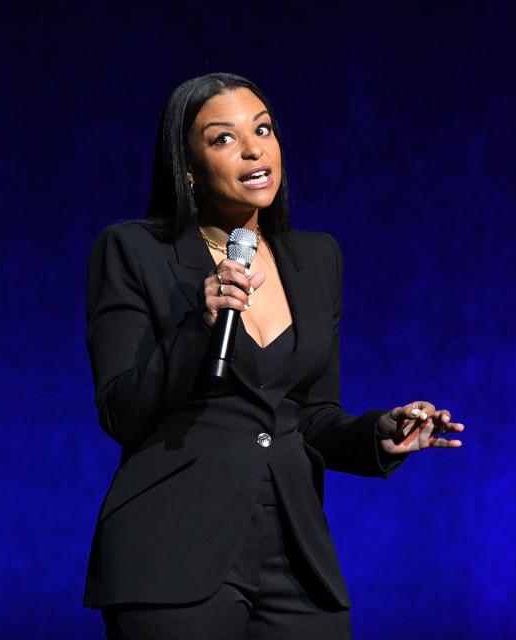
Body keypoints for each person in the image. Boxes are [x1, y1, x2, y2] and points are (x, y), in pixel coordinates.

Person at [83, 72, 465, 640]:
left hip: (296, 557)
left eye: (262, 129)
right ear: (186, 168)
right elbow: (122, 411)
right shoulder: (133, 251)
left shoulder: (317, 258)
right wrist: (198, 328)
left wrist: (377, 435)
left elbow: (310, 415)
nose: (255, 148)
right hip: (171, 553)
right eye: (224, 138)